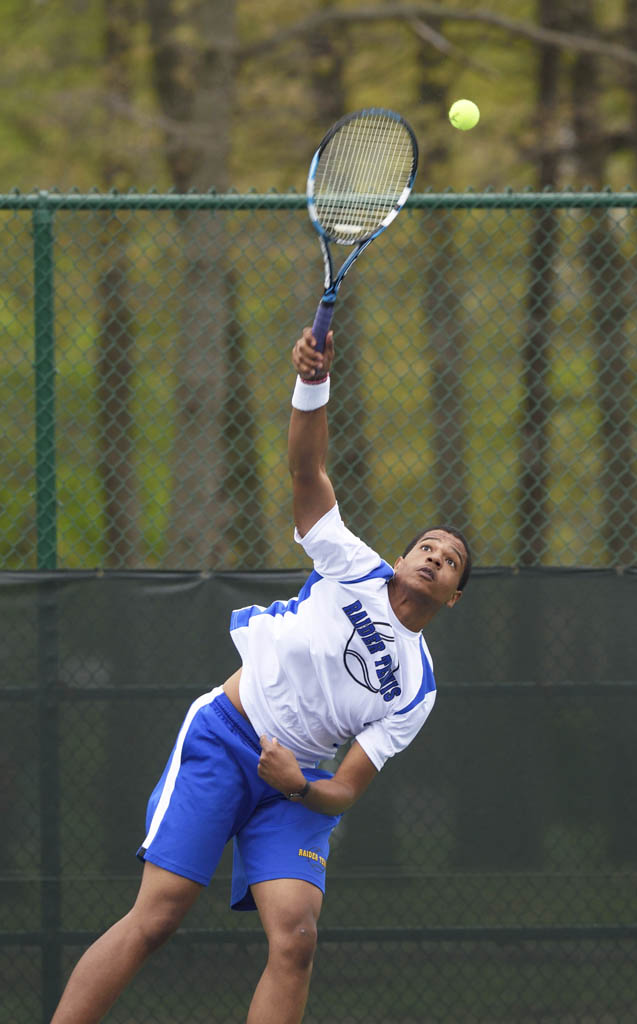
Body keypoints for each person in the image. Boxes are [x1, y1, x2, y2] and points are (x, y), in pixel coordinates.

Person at [50, 327, 471, 1024]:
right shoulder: (350, 564)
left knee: (296, 939)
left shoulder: (414, 686)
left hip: (292, 786)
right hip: (224, 738)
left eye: (449, 558)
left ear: (453, 596)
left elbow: (342, 790)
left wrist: (299, 784)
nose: (431, 555)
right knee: (156, 919)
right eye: (424, 544)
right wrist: (312, 381)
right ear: (400, 559)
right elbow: (307, 473)